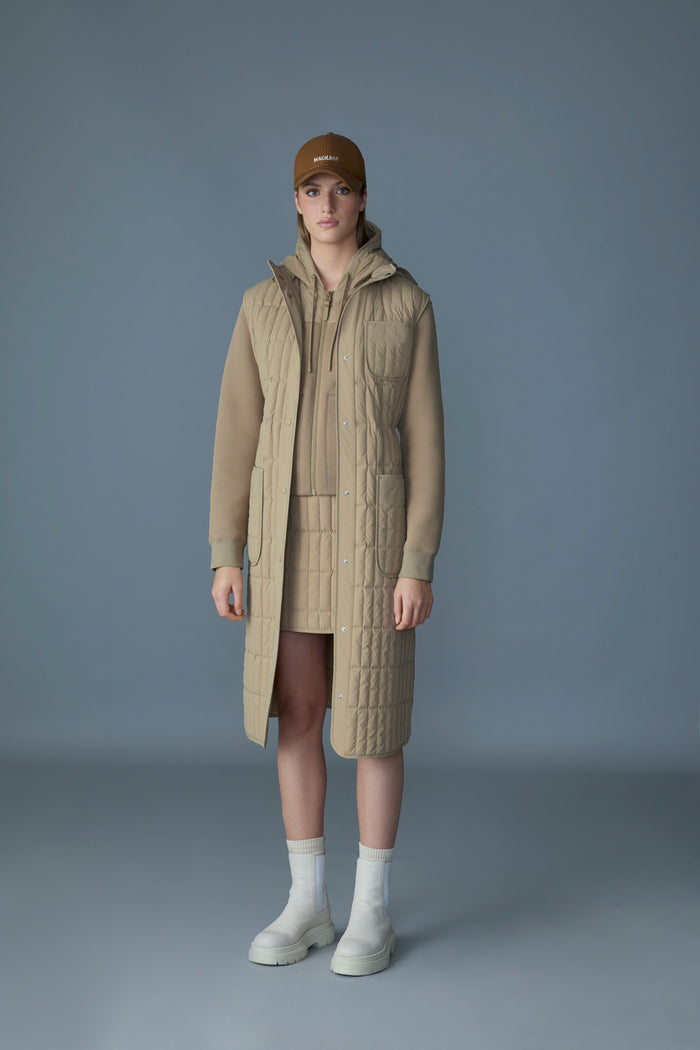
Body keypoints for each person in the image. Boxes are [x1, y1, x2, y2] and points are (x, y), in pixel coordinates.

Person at [209, 132, 445, 976]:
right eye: (313, 191)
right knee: (300, 714)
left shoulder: (406, 302)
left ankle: (371, 912)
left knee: (372, 724)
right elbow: (236, 435)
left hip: (373, 543)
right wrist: (226, 552)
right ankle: (307, 904)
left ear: (364, 198)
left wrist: (416, 560)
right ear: (296, 202)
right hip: (286, 541)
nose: (328, 204)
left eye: (342, 189)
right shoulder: (260, 304)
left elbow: (426, 442)